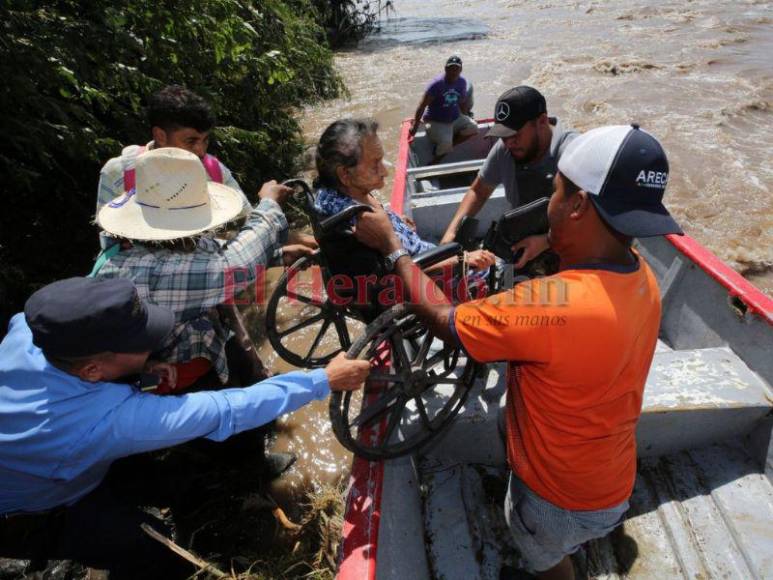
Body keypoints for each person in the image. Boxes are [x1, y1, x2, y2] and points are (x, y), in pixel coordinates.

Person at [353, 124, 682, 580]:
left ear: (578, 205)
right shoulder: (642, 277)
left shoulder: (549, 304)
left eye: (558, 191)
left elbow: (447, 321)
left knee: (544, 557)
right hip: (613, 481)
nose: (550, 202)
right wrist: (552, 239)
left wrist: (393, 248)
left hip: (553, 500)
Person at [0, 276, 369, 579]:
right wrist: (323, 380)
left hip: (55, 458)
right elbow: (226, 409)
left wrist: (138, 372)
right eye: (142, 343)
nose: (155, 344)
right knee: (152, 550)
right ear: (93, 370)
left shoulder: (29, 331)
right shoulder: (109, 420)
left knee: (179, 480)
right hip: (34, 509)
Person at [96, 84, 315, 253]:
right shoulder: (119, 173)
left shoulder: (212, 169)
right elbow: (109, 242)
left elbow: (246, 221)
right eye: (190, 141)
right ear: (160, 136)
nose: (200, 151)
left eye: (205, 140)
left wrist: (302, 242)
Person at [314, 118, 496, 278]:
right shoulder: (361, 220)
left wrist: (396, 222)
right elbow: (405, 269)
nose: (385, 171)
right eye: (375, 164)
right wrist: (463, 260)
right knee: (496, 268)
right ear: (345, 174)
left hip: (422, 256)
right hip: (428, 272)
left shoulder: (334, 196)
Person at [440, 86, 578, 267]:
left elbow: (594, 221)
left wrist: (546, 241)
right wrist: (451, 234)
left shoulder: (573, 153)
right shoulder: (506, 148)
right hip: (523, 245)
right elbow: (478, 191)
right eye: (503, 136)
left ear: (542, 122)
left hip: (572, 244)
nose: (508, 143)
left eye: (515, 135)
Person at [409, 56, 478, 161]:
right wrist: (415, 126)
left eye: (457, 69)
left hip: (455, 118)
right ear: (446, 69)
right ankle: (435, 161)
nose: (454, 72)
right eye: (451, 68)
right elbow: (422, 106)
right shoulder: (436, 85)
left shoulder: (462, 82)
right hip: (436, 121)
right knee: (446, 143)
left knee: (473, 127)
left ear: (461, 70)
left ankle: (450, 146)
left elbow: (462, 102)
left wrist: (466, 116)